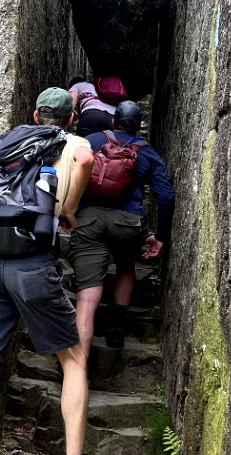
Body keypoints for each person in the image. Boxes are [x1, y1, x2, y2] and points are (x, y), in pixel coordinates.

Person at [0, 87, 112, 455]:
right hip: (32, 266)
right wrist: (66, 210)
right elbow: (87, 157)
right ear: (71, 118)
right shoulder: (71, 143)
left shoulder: (8, 148)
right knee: (72, 360)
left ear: (35, 116)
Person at [69, 100, 176, 352]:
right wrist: (160, 236)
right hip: (128, 222)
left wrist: (67, 212)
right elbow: (166, 196)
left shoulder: (93, 141)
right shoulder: (147, 151)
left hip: (88, 219)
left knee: (87, 292)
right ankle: (116, 327)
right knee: (127, 265)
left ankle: (78, 358)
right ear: (139, 127)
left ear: (114, 121)